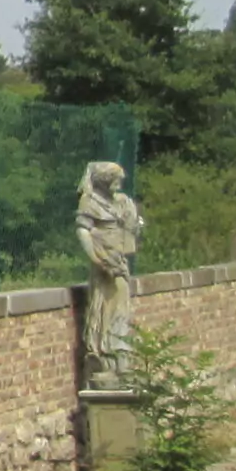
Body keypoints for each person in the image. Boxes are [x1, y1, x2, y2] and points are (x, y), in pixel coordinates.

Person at [75, 161, 142, 385]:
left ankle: (119, 350)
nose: (120, 183)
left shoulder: (120, 202)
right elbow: (83, 231)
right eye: (116, 179)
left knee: (121, 306)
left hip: (119, 260)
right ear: (105, 180)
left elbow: (130, 226)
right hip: (105, 265)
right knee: (106, 307)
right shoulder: (89, 201)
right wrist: (97, 259)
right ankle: (106, 353)